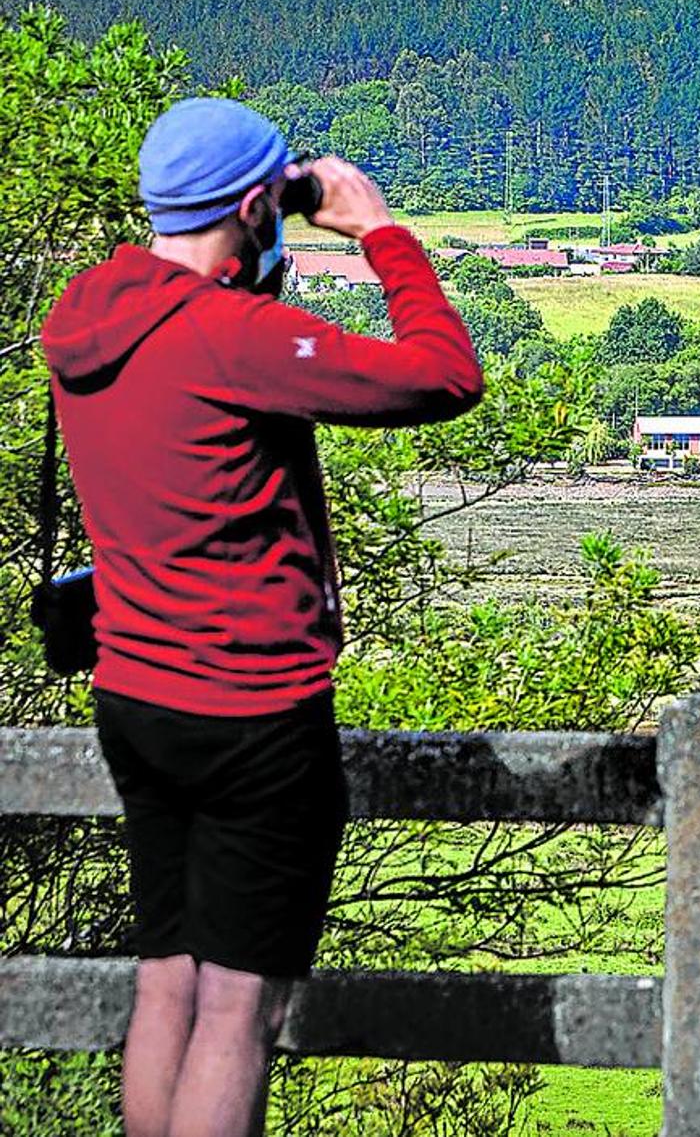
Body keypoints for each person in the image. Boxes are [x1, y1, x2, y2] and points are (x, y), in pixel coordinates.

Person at [40, 97, 483, 1137]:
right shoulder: (230, 337)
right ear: (253, 204)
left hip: (135, 698)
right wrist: (380, 233)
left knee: (168, 983)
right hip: (253, 709)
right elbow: (444, 374)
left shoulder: (86, 313)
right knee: (242, 1006)